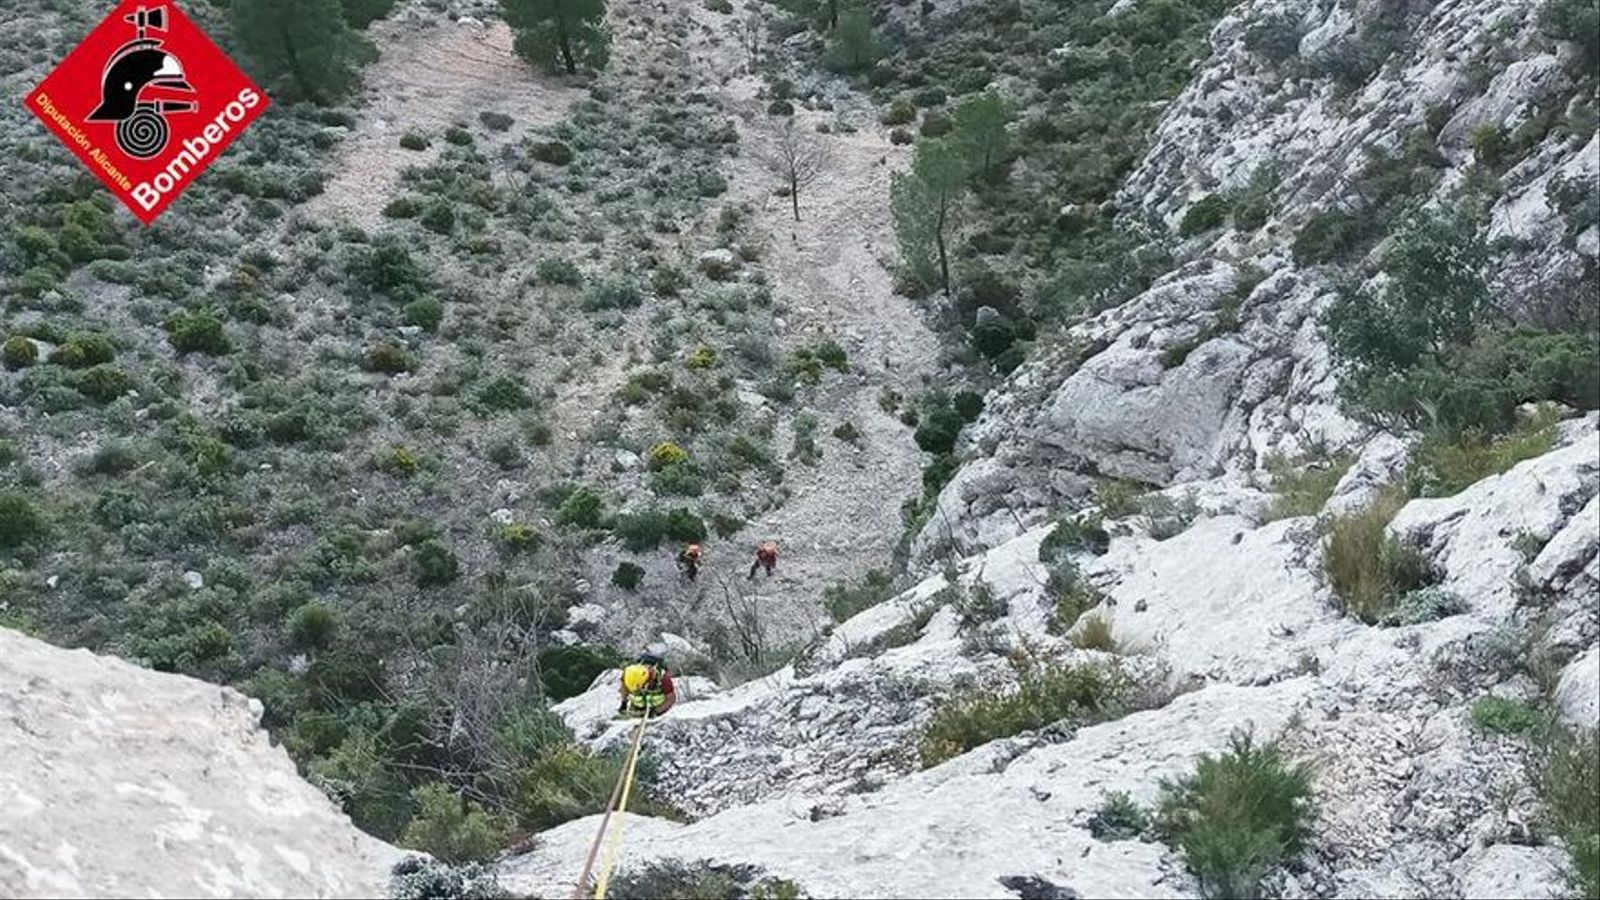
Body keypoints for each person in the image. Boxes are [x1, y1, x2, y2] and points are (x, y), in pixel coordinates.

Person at [617, 654, 675, 718]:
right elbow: (624, 688)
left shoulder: (663, 679)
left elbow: (671, 699)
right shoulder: (629, 675)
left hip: (659, 709)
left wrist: (656, 711)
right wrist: (624, 703)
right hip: (637, 707)